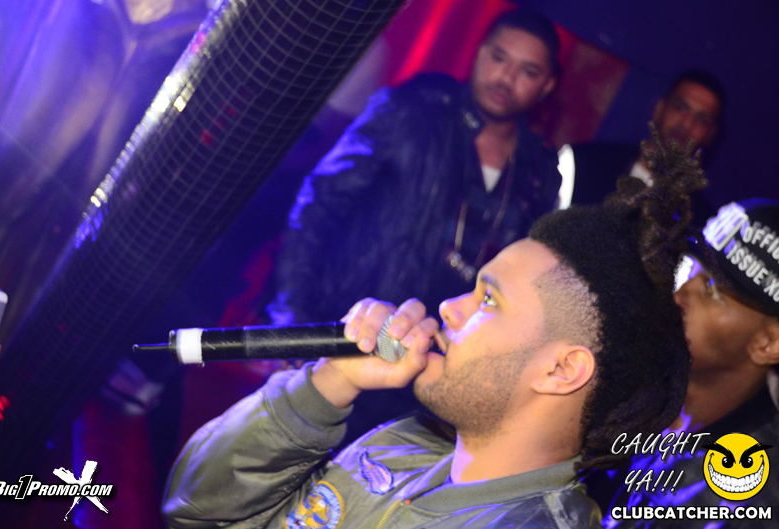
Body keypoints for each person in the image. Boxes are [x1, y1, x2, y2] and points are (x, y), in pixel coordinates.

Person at [162, 139, 705, 528]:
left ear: (562, 369)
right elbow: (196, 511)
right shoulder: (404, 446)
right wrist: (329, 383)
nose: (448, 307)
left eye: (488, 299)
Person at [269, 8, 563, 327]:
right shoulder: (413, 111)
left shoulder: (539, 171)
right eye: (499, 58)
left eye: (528, 72)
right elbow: (321, 202)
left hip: (437, 346)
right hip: (344, 325)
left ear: (547, 85)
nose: (506, 78)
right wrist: (293, 314)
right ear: (480, 52)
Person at [594, 198, 779, 528]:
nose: (677, 295)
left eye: (712, 289)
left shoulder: (744, 501)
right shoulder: (639, 386)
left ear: (769, 343)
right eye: (687, 268)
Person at [558, 70, 724, 210]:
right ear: (659, 109)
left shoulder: (701, 221)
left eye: (701, 119)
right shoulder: (586, 163)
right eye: (680, 108)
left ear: (710, 134)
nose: (687, 124)